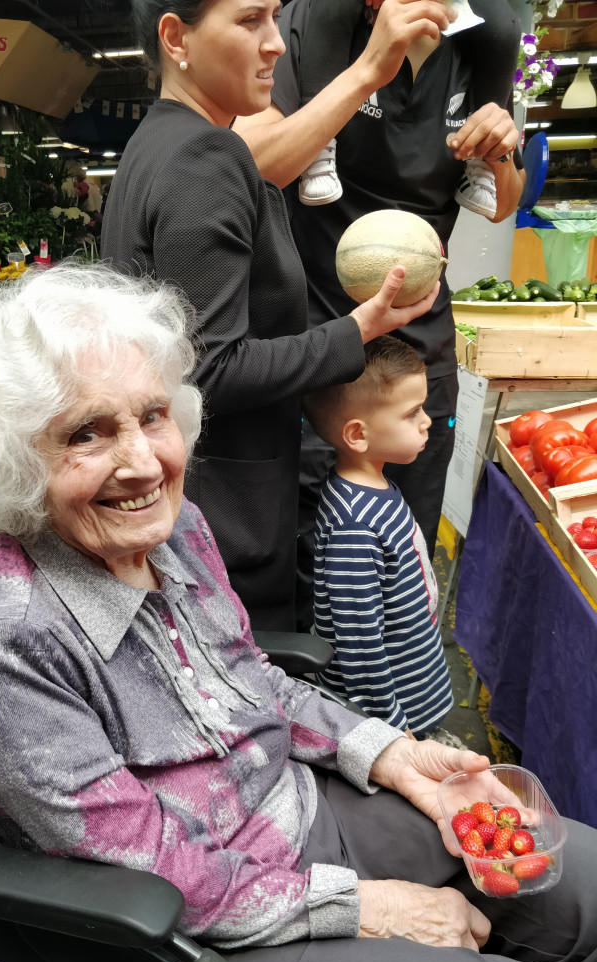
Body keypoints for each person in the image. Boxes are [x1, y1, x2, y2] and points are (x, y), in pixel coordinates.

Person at [0, 263, 597, 962]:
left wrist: (394, 754)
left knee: (579, 883)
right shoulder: (2, 641)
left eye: (153, 415)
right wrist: (371, 907)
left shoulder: (176, 528)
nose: (141, 462)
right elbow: (155, 867)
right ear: (16, 458)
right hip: (201, 933)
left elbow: (255, 681)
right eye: (86, 432)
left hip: (296, 811)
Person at [100, 0, 443, 631]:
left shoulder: (157, 144)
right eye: (249, 20)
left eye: (275, 20)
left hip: (200, 509)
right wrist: (356, 332)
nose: (276, 44)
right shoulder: (204, 158)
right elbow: (209, 369)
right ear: (176, 38)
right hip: (226, 522)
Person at [234, 0, 525, 625]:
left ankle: (397, 707)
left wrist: (499, 153)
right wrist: (370, 66)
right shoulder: (312, 28)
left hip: (422, 364)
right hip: (324, 356)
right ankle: (326, 716)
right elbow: (247, 161)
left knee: (405, 553)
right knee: (325, 572)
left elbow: (504, 205)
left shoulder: (478, 45)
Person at [302, 335, 454, 737]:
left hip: (415, 695)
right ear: (357, 435)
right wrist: (392, 730)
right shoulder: (354, 526)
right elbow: (359, 646)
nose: (427, 421)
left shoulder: (376, 487)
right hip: (396, 724)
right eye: (412, 413)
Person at [297, 0, 520, 218]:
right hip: (320, 246)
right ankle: (317, 149)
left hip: (424, 249)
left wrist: (497, 152)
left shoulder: (485, 45)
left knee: (506, 25)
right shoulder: (308, 18)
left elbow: (503, 209)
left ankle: (481, 168)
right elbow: (263, 166)